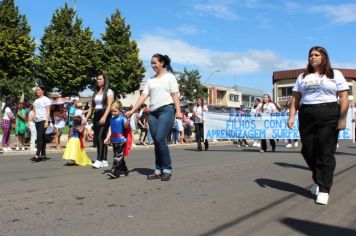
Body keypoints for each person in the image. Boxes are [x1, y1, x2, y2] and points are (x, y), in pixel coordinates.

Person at [287, 46, 349, 205]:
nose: (312, 57)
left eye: (316, 55)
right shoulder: (302, 76)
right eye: (310, 55)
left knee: (325, 152)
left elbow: (343, 97)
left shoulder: (335, 74)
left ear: (324, 57)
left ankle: (324, 189)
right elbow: (295, 98)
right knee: (307, 150)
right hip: (307, 114)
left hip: (328, 113)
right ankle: (318, 177)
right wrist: (291, 116)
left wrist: (342, 118)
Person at [126, 53, 181, 181]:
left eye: (155, 62)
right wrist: (133, 110)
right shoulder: (150, 80)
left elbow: (175, 95)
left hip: (166, 110)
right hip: (153, 113)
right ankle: (158, 170)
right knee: (156, 141)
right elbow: (143, 96)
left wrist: (178, 111)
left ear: (162, 63)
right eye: (151, 63)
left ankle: (166, 168)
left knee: (160, 138)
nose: (152, 65)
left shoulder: (169, 77)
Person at [85, 73, 114, 169]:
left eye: (100, 79)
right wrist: (85, 118)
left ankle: (99, 160)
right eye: (97, 79)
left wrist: (105, 116)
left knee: (100, 137)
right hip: (96, 114)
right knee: (99, 137)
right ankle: (104, 159)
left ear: (105, 80)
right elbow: (91, 107)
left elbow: (109, 105)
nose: (98, 80)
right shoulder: (96, 92)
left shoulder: (109, 91)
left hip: (104, 113)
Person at [104, 101, 130, 178]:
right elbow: (110, 129)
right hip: (114, 140)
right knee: (118, 156)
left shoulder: (122, 118)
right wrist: (107, 138)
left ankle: (114, 171)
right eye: (112, 111)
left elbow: (126, 127)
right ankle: (125, 170)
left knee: (117, 156)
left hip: (122, 140)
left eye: (115, 111)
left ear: (120, 110)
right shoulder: (111, 119)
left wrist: (128, 121)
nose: (113, 113)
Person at [28, 86, 51, 162]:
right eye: (36, 90)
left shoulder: (46, 100)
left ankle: (37, 155)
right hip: (37, 121)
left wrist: (47, 121)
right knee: (42, 138)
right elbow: (34, 112)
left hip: (44, 120)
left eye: (38, 90)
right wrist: (29, 121)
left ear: (43, 91)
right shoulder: (36, 100)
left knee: (39, 137)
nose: (36, 91)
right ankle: (43, 154)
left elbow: (48, 111)